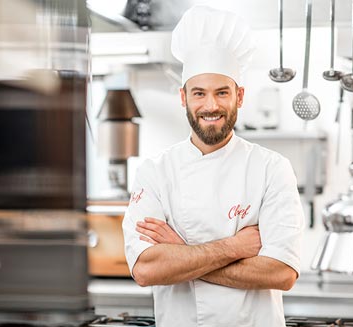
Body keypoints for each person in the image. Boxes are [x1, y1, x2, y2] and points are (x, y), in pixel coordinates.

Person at [122, 5, 305, 327]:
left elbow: (281, 273)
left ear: (240, 96)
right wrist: (235, 246)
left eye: (222, 92)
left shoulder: (272, 168)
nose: (211, 105)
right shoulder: (155, 172)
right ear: (183, 97)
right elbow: (147, 269)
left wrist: (181, 253)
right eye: (199, 93)